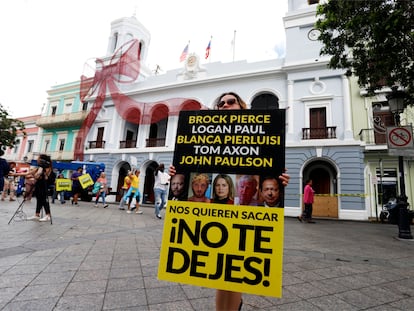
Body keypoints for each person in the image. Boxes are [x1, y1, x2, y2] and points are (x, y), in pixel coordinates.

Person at [169, 92, 290, 311]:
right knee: (220, 270)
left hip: (245, 215)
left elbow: (268, 172)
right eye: (221, 103)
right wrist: (179, 172)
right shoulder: (207, 135)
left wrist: (279, 181)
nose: (225, 105)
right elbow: (196, 162)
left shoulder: (259, 136)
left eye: (230, 102)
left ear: (242, 107)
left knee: (236, 270)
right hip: (216, 212)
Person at [27, 154, 56, 222]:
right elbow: (36, 176)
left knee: (44, 200)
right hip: (39, 185)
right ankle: (37, 214)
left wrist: (37, 175)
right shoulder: (40, 167)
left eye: (38, 159)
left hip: (44, 186)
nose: (37, 160)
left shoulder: (48, 168)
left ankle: (48, 215)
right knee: (39, 200)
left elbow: (45, 177)